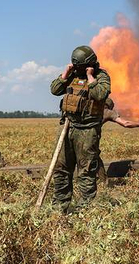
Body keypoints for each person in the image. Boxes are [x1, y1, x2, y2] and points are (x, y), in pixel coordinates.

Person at [49, 45, 110, 213]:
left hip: (87, 130)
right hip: (67, 127)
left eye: (81, 67)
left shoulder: (101, 76)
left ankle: (85, 209)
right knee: (61, 169)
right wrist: (66, 74)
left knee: (86, 170)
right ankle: (60, 207)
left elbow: (100, 94)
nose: (79, 69)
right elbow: (55, 90)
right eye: (76, 66)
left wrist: (90, 76)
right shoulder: (72, 75)